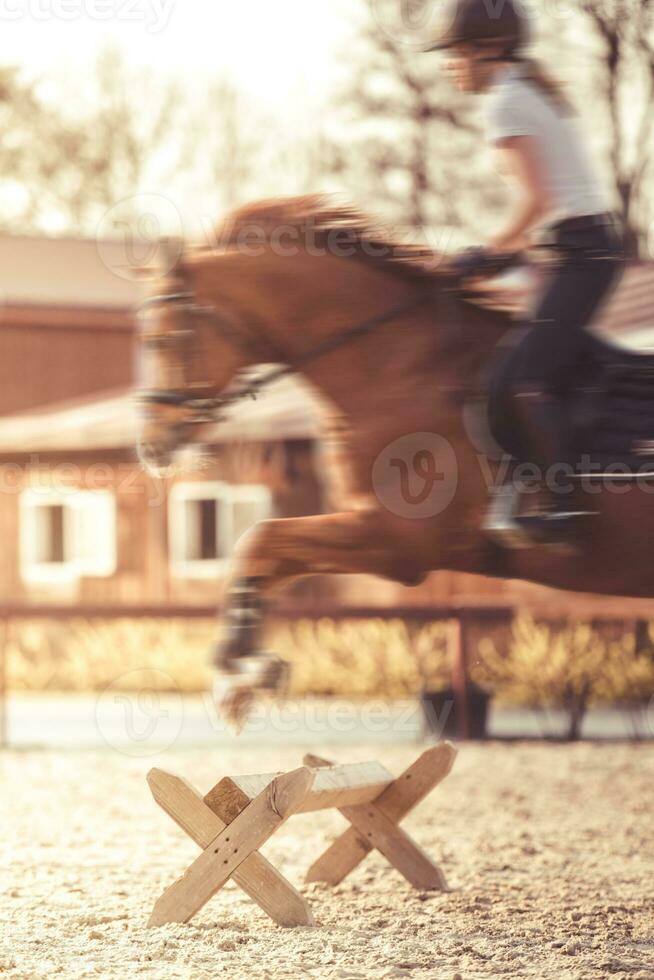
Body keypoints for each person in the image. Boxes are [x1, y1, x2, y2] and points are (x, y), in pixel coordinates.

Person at [425, 0, 625, 547]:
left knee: (523, 381)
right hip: (576, 251)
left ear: (486, 50)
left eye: (456, 53)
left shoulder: (505, 101)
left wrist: (485, 253)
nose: (450, 65)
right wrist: (504, 264)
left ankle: (561, 503)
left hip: (583, 253)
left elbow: (537, 200)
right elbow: (549, 208)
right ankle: (532, 484)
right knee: (515, 367)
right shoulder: (522, 92)